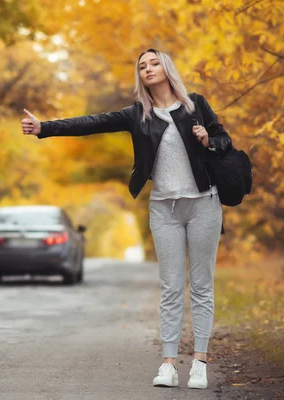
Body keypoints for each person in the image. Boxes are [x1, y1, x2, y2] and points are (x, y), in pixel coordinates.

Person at [21, 48, 232, 390]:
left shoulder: (196, 105)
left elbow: (225, 140)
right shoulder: (138, 115)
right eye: (142, 66)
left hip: (203, 205)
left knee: (202, 287)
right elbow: (92, 123)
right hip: (164, 209)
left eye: (153, 63)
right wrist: (44, 128)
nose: (148, 69)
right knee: (171, 287)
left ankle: (200, 363)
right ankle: (168, 364)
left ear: (167, 68)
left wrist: (209, 139)